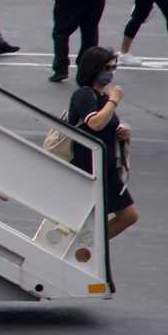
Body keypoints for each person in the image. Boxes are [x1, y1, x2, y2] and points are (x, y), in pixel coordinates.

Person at [64, 45, 137, 239]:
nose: (110, 73)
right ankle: (86, 246)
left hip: (107, 167)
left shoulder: (103, 97)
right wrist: (114, 101)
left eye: (113, 68)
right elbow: (95, 123)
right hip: (88, 166)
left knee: (128, 216)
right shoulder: (84, 94)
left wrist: (121, 132)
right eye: (107, 68)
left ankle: (89, 244)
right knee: (90, 217)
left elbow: (106, 124)